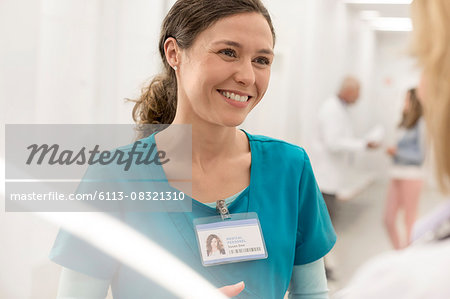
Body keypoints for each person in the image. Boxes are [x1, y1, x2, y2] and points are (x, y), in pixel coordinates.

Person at [49, 0, 336, 298]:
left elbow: (312, 293)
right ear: (174, 53)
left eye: (261, 60)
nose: (247, 76)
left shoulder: (290, 169)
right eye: (228, 53)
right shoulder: (113, 177)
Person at [333, 0, 450, 298]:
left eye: (426, 64)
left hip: (409, 171)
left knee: (409, 221)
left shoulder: (407, 282)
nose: (422, 89)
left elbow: (418, 153)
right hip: (398, 170)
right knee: (392, 219)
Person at [311, 76, 378, 280]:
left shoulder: (339, 109)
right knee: (322, 228)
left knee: (324, 226)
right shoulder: (332, 109)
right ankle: (318, 269)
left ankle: (321, 267)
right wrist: (362, 144)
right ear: (348, 91)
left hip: (331, 178)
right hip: (325, 179)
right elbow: (333, 143)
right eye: (358, 92)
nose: (359, 97)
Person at [384, 88, 425, 250]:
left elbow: (420, 156)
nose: (404, 103)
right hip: (397, 172)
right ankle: (400, 253)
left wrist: (397, 152)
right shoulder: (404, 122)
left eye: (407, 100)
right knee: (388, 219)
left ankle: (409, 257)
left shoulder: (422, 124)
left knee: (410, 221)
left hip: (412, 175)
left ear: (415, 102)